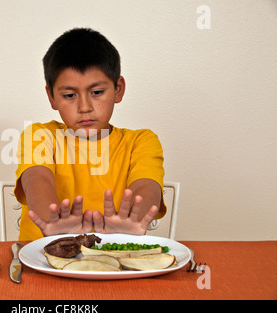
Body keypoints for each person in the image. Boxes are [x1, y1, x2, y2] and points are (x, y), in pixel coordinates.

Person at [14, 28, 166, 241]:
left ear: (118, 89)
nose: (84, 107)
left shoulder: (141, 142)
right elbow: (37, 180)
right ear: (52, 97)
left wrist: (131, 221)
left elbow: (147, 188)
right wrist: (53, 221)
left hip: (115, 260)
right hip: (42, 258)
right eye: (69, 95)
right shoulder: (40, 136)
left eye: (96, 92)